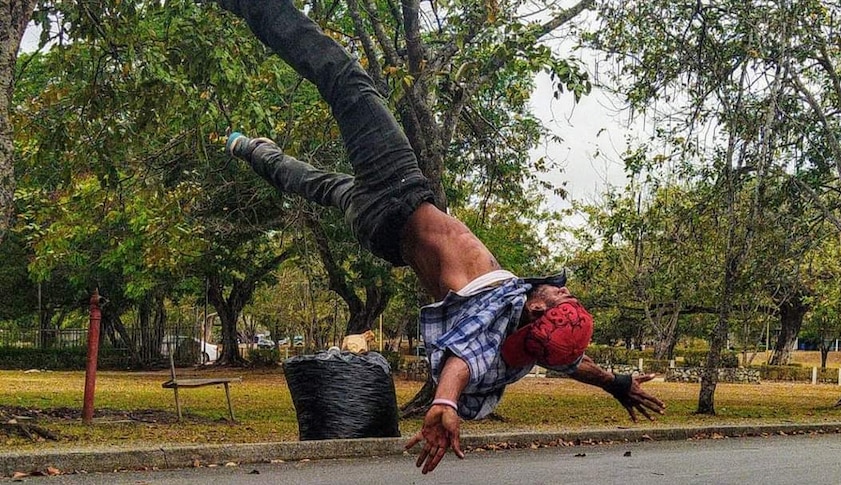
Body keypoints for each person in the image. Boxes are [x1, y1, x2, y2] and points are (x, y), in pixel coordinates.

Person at [215, 0, 665, 474]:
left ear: (536, 310)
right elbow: (571, 361)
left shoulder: (496, 315)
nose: (563, 290)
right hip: (379, 231)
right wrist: (614, 383)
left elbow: (462, 356)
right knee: (318, 186)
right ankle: (250, 150)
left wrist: (445, 404)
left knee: (345, 79)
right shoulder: (523, 350)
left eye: (561, 298)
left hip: (397, 194)